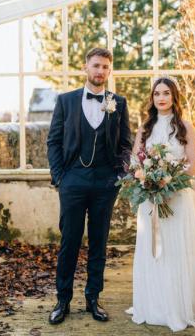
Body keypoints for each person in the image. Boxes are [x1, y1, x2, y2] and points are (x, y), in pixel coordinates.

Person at [126, 77, 195, 332]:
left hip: (177, 199)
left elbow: (192, 165)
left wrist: (168, 181)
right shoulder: (145, 128)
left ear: (174, 97)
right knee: (154, 251)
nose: (161, 98)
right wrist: (149, 181)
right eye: (157, 93)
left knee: (177, 250)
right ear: (152, 98)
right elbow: (135, 162)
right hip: (150, 201)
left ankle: (180, 304)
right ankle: (155, 304)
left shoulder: (185, 127)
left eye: (166, 93)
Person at [46, 47, 132, 325]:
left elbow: (125, 144)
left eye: (105, 67)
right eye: (96, 65)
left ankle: (93, 298)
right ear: (86, 67)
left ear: (109, 70)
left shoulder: (118, 102)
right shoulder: (66, 101)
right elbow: (53, 141)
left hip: (105, 184)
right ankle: (63, 300)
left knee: (99, 243)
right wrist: (60, 177)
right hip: (72, 182)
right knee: (69, 241)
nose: (100, 71)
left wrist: (118, 176)